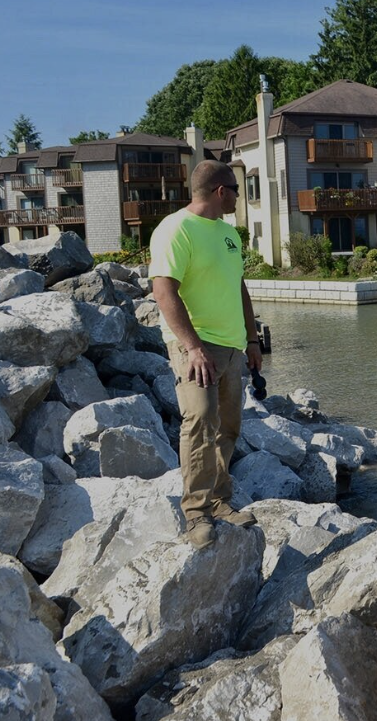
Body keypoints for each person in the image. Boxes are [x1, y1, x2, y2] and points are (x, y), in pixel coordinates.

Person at [150, 160, 262, 548]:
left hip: (232, 348)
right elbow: (163, 290)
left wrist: (251, 340)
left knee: (228, 427)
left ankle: (219, 500)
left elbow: (239, 287)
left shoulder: (228, 234)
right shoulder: (176, 229)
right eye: (236, 188)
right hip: (197, 347)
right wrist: (193, 347)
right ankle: (196, 514)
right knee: (199, 420)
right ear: (220, 191)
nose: (238, 196)